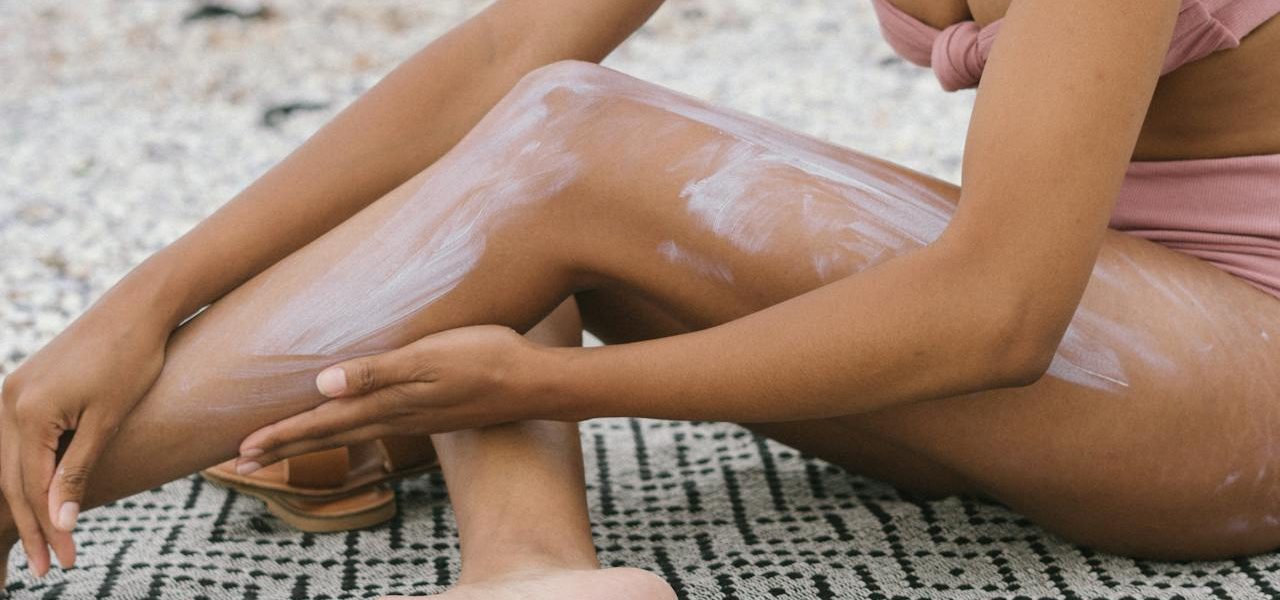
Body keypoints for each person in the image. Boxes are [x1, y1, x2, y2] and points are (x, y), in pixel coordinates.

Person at [4, 0, 1280, 597]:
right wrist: (139, 297)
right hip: (1085, 333)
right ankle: (530, 569)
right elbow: (509, 51)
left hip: (1229, 394)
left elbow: (999, 312)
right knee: (515, 168)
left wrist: (565, 386)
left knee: (581, 149)